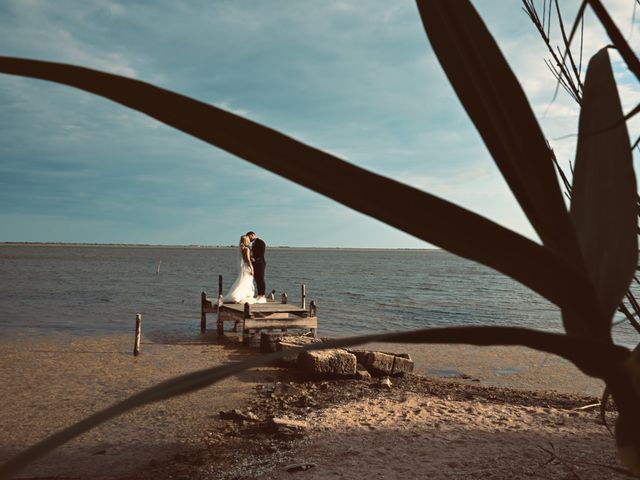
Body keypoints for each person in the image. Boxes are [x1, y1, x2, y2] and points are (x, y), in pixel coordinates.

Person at [223, 235, 258, 304]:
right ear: (246, 241)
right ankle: (240, 296)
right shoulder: (246, 249)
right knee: (247, 281)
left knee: (242, 280)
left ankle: (237, 295)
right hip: (247, 267)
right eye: (248, 240)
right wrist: (252, 268)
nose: (249, 241)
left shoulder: (241, 249)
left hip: (243, 267)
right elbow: (247, 260)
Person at [246, 231, 267, 302]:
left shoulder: (261, 242)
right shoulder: (252, 243)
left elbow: (261, 253)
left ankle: (262, 295)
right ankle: (259, 294)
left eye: (249, 237)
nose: (249, 239)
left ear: (253, 235)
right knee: (257, 279)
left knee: (261, 279)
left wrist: (255, 259)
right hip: (255, 264)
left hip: (260, 263)